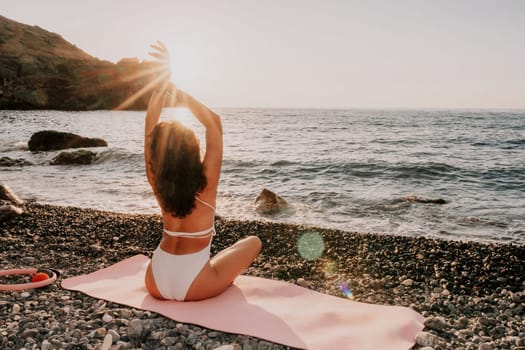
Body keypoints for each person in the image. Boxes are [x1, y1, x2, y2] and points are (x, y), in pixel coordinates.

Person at [144, 42, 261, 301]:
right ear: (193, 151)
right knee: (253, 242)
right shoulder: (205, 185)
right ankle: (210, 269)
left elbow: (150, 124)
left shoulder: (156, 180)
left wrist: (163, 80)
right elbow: (214, 124)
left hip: (155, 280)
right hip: (194, 284)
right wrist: (181, 95)